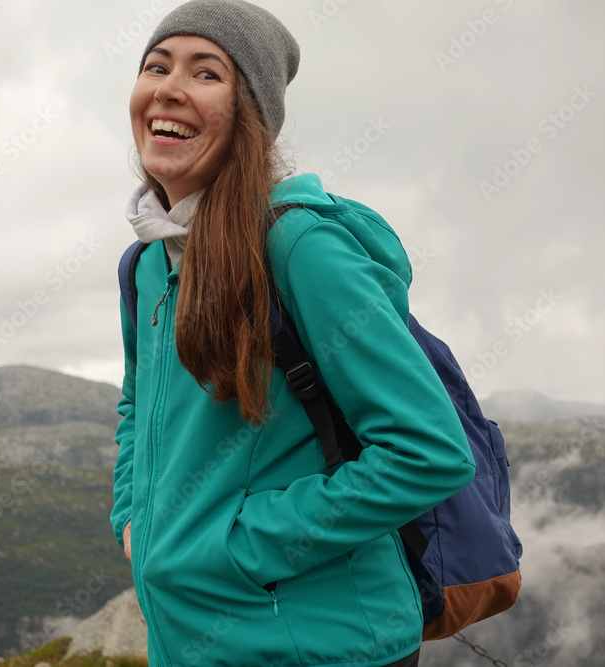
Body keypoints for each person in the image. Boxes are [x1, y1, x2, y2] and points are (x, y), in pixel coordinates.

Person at [110, 1, 476, 665]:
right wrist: (133, 523)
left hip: (318, 645)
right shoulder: (144, 264)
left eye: (206, 73)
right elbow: (137, 405)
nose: (167, 88)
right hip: (193, 642)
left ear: (251, 114)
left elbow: (428, 451)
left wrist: (237, 544)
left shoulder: (299, 246)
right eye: (156, 66)